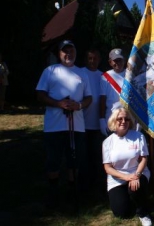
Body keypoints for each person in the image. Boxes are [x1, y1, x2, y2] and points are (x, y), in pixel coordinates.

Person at [36, 40, 92, 208]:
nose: (68, 54)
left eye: (71, 51)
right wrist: (58, 103)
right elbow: (40, 94)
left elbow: (89, 97)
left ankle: (71, 191)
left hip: (77, 125)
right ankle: (53, 192)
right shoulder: (50, 71)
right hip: (54, 125)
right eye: (64, 51)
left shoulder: (82, 73)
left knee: (73, 160)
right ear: (59, 54)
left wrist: (79, 105)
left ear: (75, 52)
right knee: (53, 160)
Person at [102, 106, 152, 225]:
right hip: (117, 179)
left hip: (138, 173)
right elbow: (107, 167)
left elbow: (144, 158)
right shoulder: (107, 142)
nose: (124, 121)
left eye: (127, 119)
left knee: (135, 188)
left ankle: (143, 213)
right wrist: (126, 177)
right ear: (114, 121)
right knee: (121, 212)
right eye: (120, 119)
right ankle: (134, 199)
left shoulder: (138, 136)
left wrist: (136, 175)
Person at [80, 49, 103, 187]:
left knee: (96, 155)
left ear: (99, 60)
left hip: (97, 123)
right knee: (83, 156)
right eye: (90, 58)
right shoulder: (80, 73)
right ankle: (83, 185)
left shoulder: (103, 76)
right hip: (82, 123)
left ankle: (95, 184)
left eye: (95, 58)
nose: (92, 61)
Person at [100, 48, 126, 136]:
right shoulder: (105, 76)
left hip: (127, 119)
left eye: (120, 60)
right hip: (111, 118)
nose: (118, 63)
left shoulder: (131, 74)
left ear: (124, 60)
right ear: (110, 62)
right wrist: (102, 119)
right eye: (115, 61)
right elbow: (102, 99)